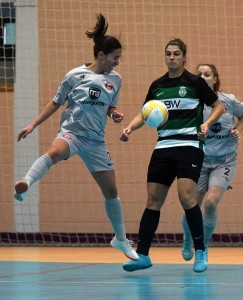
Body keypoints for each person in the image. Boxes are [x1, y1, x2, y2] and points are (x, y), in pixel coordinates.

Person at [14, 13, 138, 261]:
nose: (117, 62)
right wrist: (32, 125)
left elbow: (109, 106)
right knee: (54, 152)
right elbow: (55, 103)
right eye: (115, 58)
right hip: (73, 133)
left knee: (111, 191)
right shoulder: (74, 75)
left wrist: (114, 114)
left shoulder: (115, 79)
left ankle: (121, 240)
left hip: (96, 141)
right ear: (101, 55)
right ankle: (25, 184)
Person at [119, 39, 224, 273]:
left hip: (189, 145)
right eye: (168, 54)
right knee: (153, 201)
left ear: (184, 56)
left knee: (187, 197)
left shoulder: (195, 82)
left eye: (176, 53)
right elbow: (145, 113)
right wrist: (129, 128)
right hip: (163, 146)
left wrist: (206, 123)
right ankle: (143, 255)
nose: (172, 57)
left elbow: (218, 107)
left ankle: (200, 252)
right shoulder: (157, 85)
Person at [181, 64, 243, 267]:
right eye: (199, 74)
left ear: (215, 78)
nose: (202, 77)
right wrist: (196, 134)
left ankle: (203, 247)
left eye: (206, 74)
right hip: (200, 160)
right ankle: (188, 238)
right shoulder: (192, 103)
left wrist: (237, 130)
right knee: (191, 205)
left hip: (225, 160)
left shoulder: (228, 100)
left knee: (210, 202)